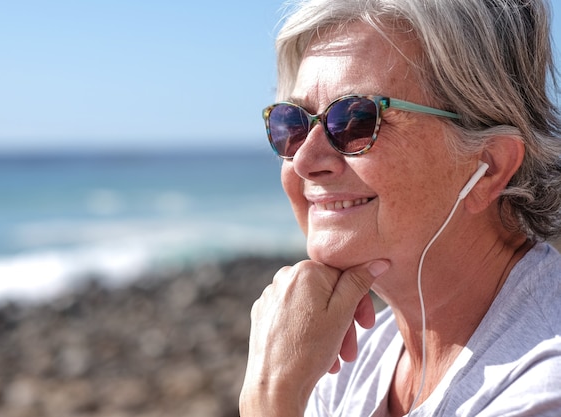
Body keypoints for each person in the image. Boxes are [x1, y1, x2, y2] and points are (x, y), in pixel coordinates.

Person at [239, 0, 561, 416]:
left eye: (354, 120)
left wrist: (270, 400)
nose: (303, 160)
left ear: (489, 168)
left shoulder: (543, 387)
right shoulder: (342, 369)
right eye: (293, 125)